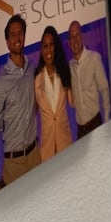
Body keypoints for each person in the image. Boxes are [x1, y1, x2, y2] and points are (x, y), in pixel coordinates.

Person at [0, 14, 39, 189]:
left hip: (36, 155)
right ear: (7, 41)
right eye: (12, 34)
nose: (17, 37)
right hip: (14, 165)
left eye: (20, 32)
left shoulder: (33, 69)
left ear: (24, 36)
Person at [34, 25, 73, 162]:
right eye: (45, 46)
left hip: (65, 141)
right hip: (47, 147)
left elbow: (72, 103)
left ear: (56, 47)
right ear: (41, 49)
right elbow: (32, 113)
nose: (48, 49)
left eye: (51, 45)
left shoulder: (64, 73)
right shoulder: (36, 79)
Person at [67, 20, 111, 135]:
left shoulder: (94, 58)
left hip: (96, 124)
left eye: (77, 35)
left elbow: (104, 89)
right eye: (72, 36)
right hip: (80, 129)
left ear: (82, 37)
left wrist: (107, 121)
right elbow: (72, 101)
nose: (75, 39)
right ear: (69, 42)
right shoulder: (70, 66)